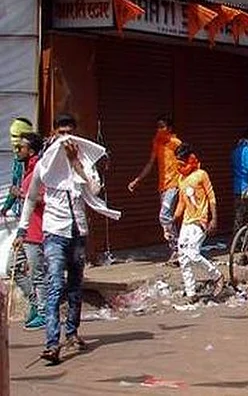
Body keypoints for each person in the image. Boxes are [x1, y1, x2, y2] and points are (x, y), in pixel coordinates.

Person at [17, 115, 120, 364]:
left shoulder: (83, 162)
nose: (65, 137)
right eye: (61, 132)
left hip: (77, 232)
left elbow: (94, 190)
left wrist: (75, 163)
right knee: (54, 285)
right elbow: (30, 198)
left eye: (69, 133)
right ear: (54, 133)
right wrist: (22, 229)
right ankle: (52, 343)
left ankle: (72, 333)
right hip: (54, 232)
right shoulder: (45, 164)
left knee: (75, 285)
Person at [128, 114, 182, 265]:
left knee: (164, 215)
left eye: (162, 127)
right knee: (170, 218)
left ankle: (177, 249)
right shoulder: (157, 143)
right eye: (158, 127)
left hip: (175, 184)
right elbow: (151, 163)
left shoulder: (176, 143)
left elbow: (186, 162)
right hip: (163, 187)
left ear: (169, 128)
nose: (159, 130)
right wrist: (137, 180)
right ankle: (178, 250)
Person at [173, 143, 224, 302]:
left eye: (181, 160)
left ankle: (217, 276)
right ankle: (191, 293)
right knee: (183, 256)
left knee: (193, 253)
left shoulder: (201, 174)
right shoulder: (181, 178)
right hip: (186, 223)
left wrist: (214, 219)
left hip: (200, 221)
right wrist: (173, 218)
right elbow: (182, 202)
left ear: (189, 158)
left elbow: (211, 197)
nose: (179, 164)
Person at [11, 132, 47, 330]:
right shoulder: (26, 171)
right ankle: (35, 301)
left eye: (21, 147)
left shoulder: (40, 171)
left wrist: (24, 195)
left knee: (37, 274)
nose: (17, 151)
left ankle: (43, 312)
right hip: (25, 231)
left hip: (36, 232)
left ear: (31, 151)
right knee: (13, 267)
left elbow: (45, 199)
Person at [2, 117, 34, 217]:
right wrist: (5, 208)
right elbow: (15, 184)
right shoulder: (18, 158)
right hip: (19, 211)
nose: (13, 140)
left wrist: (21, 193)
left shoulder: (38, 160)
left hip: (33, 212)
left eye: (16, 136)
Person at [232, 130, 248, 232]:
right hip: (246, 187)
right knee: (247, 215)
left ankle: (236, 237)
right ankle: (244, 237)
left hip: (236, 186)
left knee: (238, 214)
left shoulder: (236, 150)